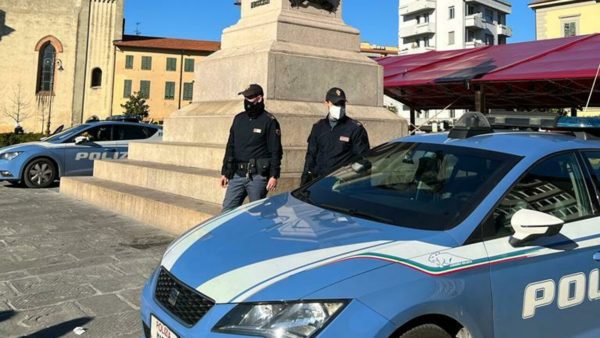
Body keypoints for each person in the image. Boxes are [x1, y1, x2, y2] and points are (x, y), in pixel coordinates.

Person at [220, 84, 283, 212]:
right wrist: (225, 172)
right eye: (245, 97)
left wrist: (274, 175)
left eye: (250, 97)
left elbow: (275, 151)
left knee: (257, 213)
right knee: (227, 211)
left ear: (259, 99)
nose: (247, 101)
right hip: (237, 174)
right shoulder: (239, 119)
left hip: (257, 177)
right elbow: (230, 146)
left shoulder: (269, 121)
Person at [301, 87, 370, 185]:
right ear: (326, 103)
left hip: (342, 184)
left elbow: (363, 159)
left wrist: (347, 178)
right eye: (335, 103)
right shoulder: (318, 127)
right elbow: (311, 156)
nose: (339, 107)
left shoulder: (355, 128)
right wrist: (304, 182)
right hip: (319, 182)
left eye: (342, 104)